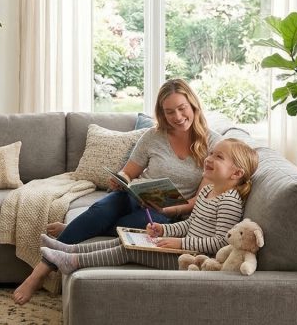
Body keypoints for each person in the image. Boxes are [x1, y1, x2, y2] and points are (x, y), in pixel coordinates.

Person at [13, 78, 220, 305]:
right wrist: (120, 180)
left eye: (182, 109)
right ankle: (38, 273)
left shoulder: (213, 144)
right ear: (162, 113)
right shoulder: (153, 136)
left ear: (193, 105)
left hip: (169, 212)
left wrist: (170, 208)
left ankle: (81, 227)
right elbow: (129, 172)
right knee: (102, 209)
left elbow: (199, 200)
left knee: (133, 227)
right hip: (135, 196)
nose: (178, 117)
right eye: (170, 112)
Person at [37, 137, 258, 276]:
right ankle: (68, 248)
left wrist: (178, 243)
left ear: (236, 173)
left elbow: (220, 243)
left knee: (127, 250)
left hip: (191, 258)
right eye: (211, 153)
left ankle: (73, 261)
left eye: (218, 157)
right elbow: (191, 224)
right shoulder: (208, 192)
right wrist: (164, 230)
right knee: (126, 239)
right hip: (181, 247)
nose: (209, 158)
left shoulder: (229, 200)